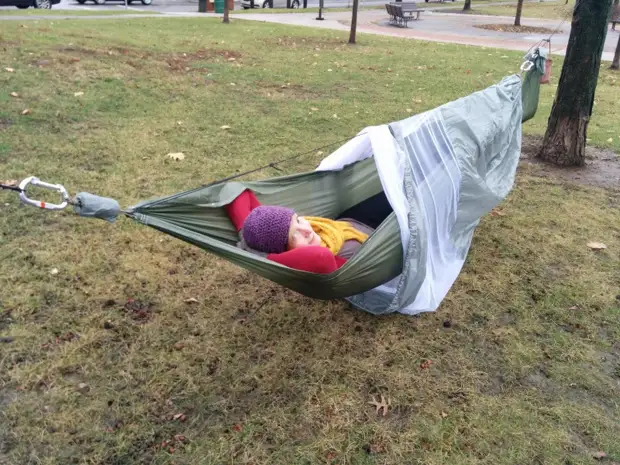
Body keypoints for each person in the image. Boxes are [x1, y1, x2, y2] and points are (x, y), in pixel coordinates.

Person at [225, 189, 393, 274]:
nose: (306, 230)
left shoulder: (268, 236)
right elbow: (321, 257)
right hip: (382, 239)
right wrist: (265, 258)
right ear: (283, 251)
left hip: (349, 221)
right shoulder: (321, 264)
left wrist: (245, 234)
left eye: (298, 220)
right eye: (294, 235)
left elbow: (237, 192)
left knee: (399, 188)